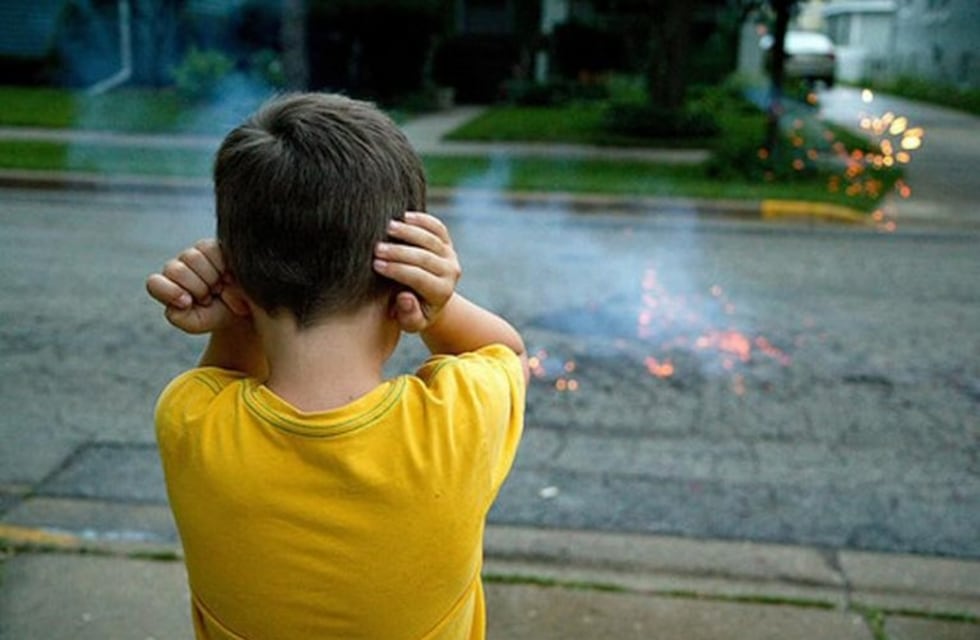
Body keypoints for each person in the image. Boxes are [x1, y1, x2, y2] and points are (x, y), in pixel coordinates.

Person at [145, 92, 529, 640]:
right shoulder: (457, 422)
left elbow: (225, 381)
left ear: (238, 277)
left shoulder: (188, 420)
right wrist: (441, 306)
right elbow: (506, 354)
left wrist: (235, 314)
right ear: (405, 280)